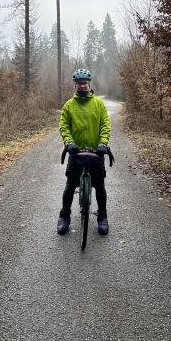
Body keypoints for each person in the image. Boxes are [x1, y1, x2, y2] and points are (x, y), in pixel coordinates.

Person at [58, 68, 111, 236]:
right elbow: (64, 126)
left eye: (85, 83)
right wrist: (69, 142)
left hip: (96, 152)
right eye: (79, 83)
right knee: (69, 185)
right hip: (76, 152)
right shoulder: (69, 105)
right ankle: (64, 216)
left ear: (89, 84)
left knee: (100, 186)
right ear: (75, 85)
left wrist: (103, 143)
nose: (82, 86)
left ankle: (102, 216)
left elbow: (105, 125)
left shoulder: (99, 104)